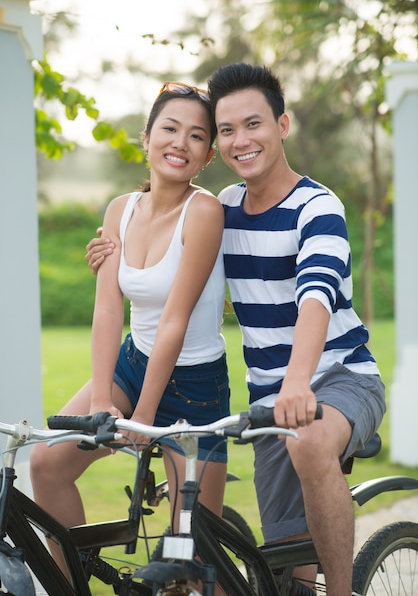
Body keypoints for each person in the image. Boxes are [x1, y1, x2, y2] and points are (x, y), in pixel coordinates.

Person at [85, 63, 386, 596]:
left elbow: (315, 296)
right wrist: (113, 252)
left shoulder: (318, 207)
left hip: (341, 378)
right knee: (287, 574)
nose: (240, 140)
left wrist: (298, 381)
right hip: (270, 400)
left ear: (283, 125)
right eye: (226, 131)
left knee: (312, 441)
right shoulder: (222, 208)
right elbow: (171, 250)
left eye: (254, 124)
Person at [30, 82, 230, 593]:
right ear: (146, 136)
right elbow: (108, 306)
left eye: (195, 136)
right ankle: (72, 584)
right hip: (133, 364)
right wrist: (102, 397)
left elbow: (174, 321)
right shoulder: (119, 210)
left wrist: (143, 416)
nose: (179, 143)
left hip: (195, 387)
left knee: (190, 555)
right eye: (169, 128)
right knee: (48, 463)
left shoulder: (204, 213)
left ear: (207, 155)